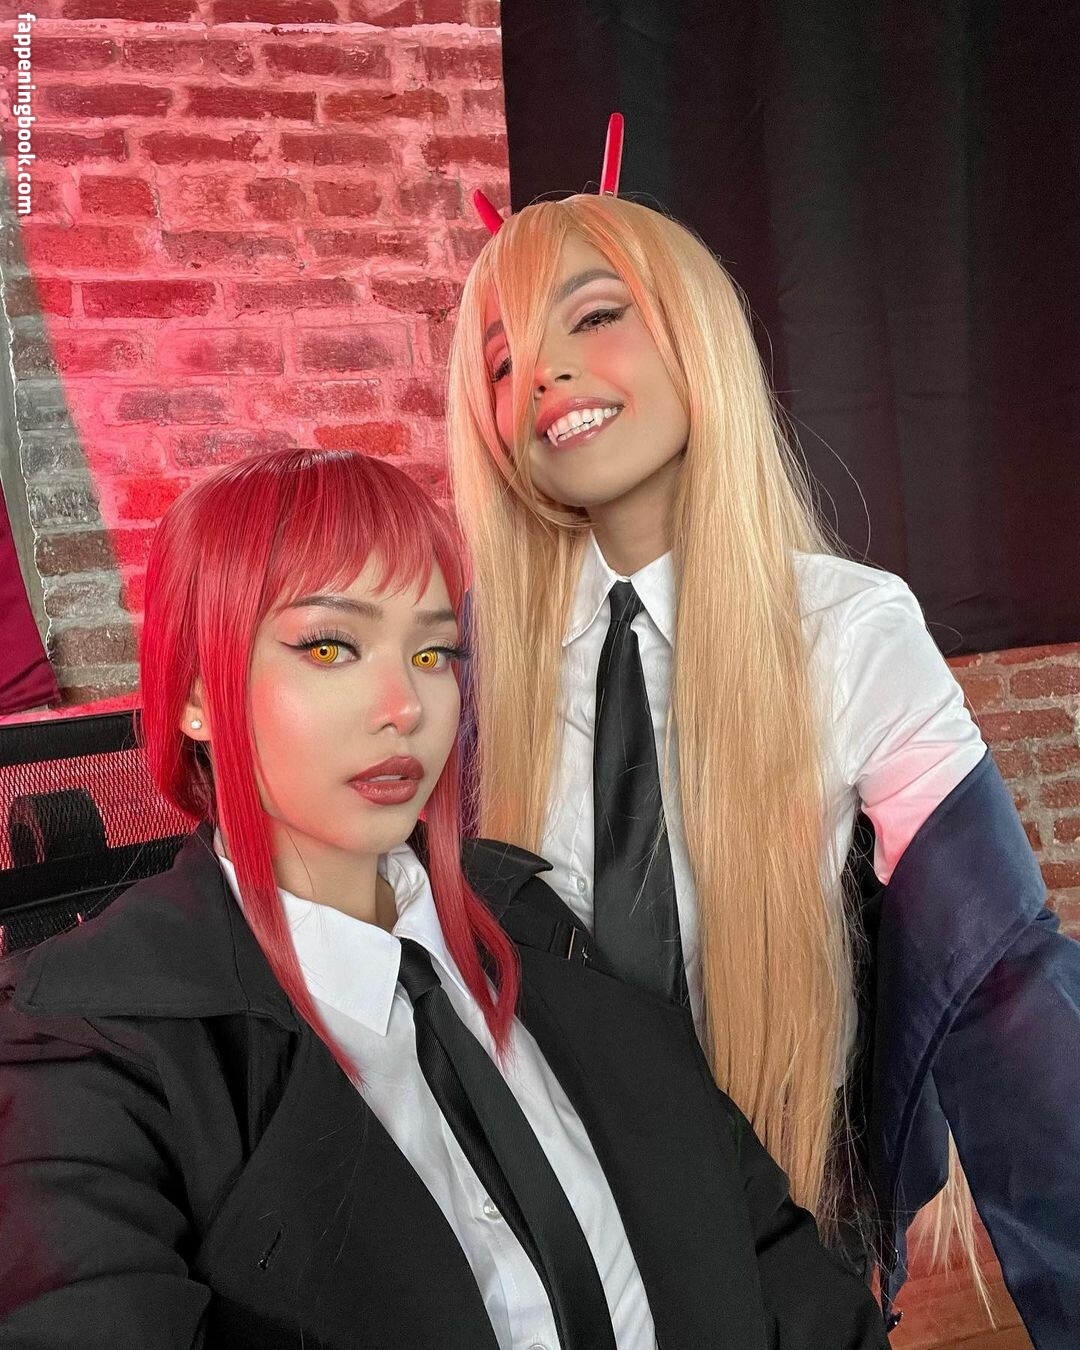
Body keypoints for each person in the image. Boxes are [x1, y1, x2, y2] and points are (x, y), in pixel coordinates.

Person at [0, 449, 887, 1350]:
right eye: (330, 647)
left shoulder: (542, 924)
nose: (406, 706)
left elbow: (775, 1264)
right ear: (197, 692)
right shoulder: (80, 1046)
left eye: (431, 653)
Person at [447, 183, 1080, 1346]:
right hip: (557, 1249)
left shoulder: (851, 632)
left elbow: (999, 973)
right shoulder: (471, 668)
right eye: (502, 361)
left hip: (791, 1229)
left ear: (693, 329)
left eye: (596, 316)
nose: (544, 374)